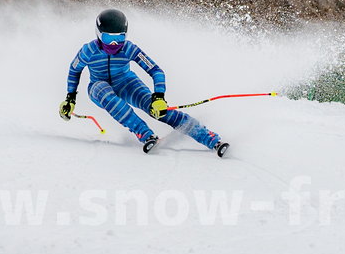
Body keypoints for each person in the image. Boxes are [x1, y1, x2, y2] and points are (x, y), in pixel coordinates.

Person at [60, 9, 229, 156]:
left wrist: (158, 97)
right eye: (108, 38)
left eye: (119, 37)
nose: (114, 44)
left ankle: (210, 139)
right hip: (98, 87)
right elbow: (75, 70)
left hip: (127, 83)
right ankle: (144, 134)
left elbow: (156, 70)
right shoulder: (88, 51)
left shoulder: (129, 48)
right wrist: (70, 99)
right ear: (98, 34)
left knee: (157, 110)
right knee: (104, 91)